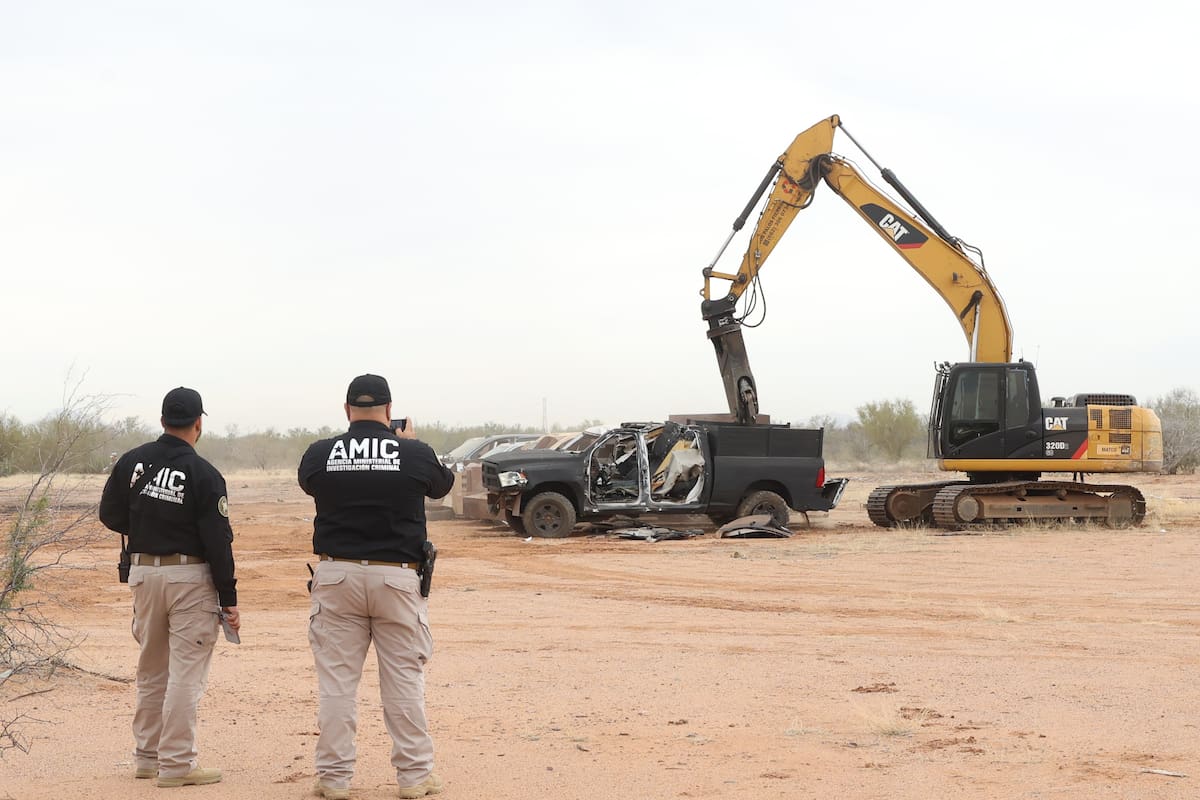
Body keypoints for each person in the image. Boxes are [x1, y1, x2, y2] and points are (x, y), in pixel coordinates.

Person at [298, 374, 454, 800]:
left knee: (337, 683)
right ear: (390, 410)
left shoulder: (320, 453)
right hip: (397, 576)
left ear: (347, 410)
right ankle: (415, 777)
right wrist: (406, 443)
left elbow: (308, 482)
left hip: (336, 576)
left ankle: (333, 779)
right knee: (403, 680)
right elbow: (443, 486)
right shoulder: (415, 452)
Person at [98, 386, 240, 788]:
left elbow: (109, 514)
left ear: (162, 421)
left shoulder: (132, 462)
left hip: (144, 575)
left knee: (151, 668)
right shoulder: (205, 474)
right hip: (189, 578)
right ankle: (177, 764)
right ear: (198, 424)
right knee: (185, 674)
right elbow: (218, 540)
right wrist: (228, 599)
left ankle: (146, 758)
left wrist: (146, 528)